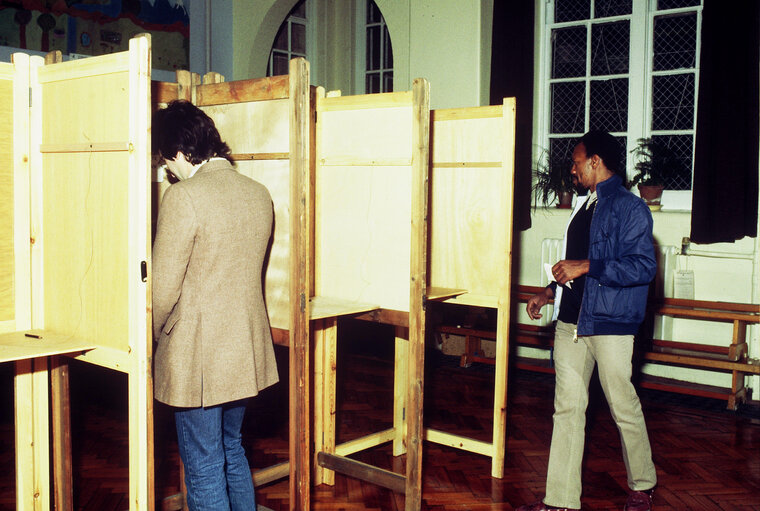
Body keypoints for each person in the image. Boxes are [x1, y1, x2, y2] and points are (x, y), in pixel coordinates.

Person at [518, 131, 658, 511]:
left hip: (610, 323)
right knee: (567, 408)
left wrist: (588, 266)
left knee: (622, 403)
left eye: (577, 160)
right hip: (570, 323)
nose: (573, 168)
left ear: (595, 161)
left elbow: (643, 267)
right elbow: (575, 263)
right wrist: (549, 290)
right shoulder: (584, 206)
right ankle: (560, 500)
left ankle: (642, 485)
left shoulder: (631, 208)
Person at [152, 100, 279, 511]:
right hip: (243, 351)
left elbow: (162, 292)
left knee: (203, 464)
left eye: (164, 159)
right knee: (232, 449)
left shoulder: (183, 197)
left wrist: (152, 339)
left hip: (198, 358)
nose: (166, 169)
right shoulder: (258, 193)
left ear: (175, 151)